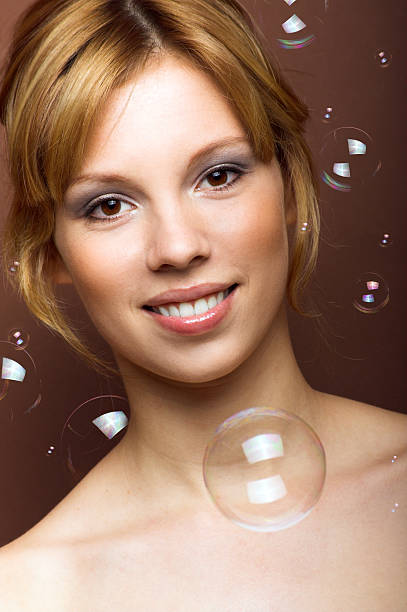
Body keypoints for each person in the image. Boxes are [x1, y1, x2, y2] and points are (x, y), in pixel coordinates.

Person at [0, 0, 405, 609]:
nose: (178, 247)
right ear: (50, 251)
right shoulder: (27, 592)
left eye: (217, 176)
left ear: (291, 182)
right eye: (108, 205)